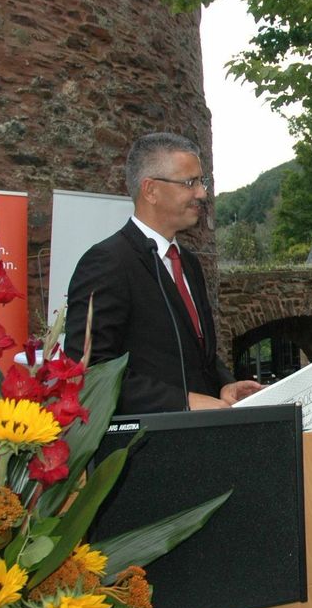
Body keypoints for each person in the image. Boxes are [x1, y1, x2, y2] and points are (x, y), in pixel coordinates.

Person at [64, 132, 262, 414]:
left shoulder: (189, 264)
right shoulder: (107, 263)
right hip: (148, 448)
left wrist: (225, 385)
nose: (202, 194)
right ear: (150, 190)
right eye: (189, 183)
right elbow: (90, 372)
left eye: (201, 182)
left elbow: (197, 356)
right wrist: (183, 402)